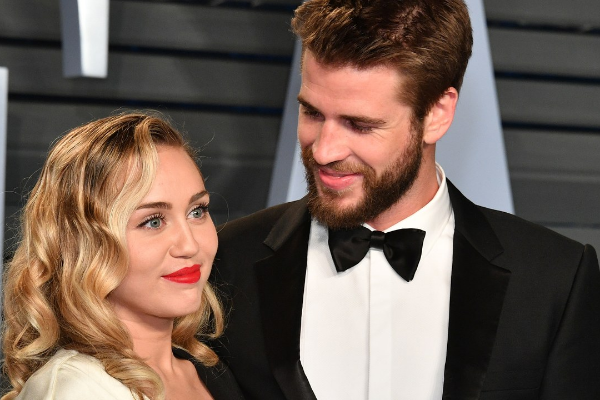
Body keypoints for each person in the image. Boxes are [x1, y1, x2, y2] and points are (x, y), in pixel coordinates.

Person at [211, 0, 600, 399]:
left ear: (436, 114)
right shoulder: (224, 261)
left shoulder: (554, 281)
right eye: (312, 113)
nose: (324, 151)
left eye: (359, 125)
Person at [2, 113, 245, 400]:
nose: (189, 245)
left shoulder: (210, 370)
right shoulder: (77, 389)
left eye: (197, 211)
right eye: (153, 221)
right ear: (84, 245)